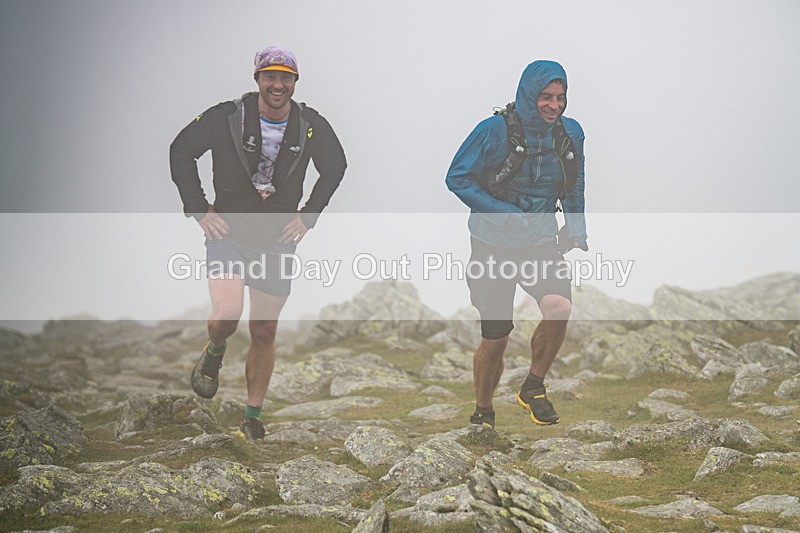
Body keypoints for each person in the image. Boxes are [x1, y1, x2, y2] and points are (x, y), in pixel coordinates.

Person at [169, 45, 346, 439]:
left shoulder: (310, 124)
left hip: (278, 240)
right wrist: (198, 209)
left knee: (264, 329)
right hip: (228, 233)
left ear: (295, 82)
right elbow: (181, 150)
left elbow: (336, 166)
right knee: (228, 314)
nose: (278, 84)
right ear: (258, 80)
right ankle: (213, 352)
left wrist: (309, 214)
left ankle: (252, 416)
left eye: (286, 77)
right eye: (270, 76)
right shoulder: (226, 116)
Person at [445, 60, 586, 429]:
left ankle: (533, 386)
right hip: (492, 244)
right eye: (545, 97)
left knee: (559, 307)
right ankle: (483, 410)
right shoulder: (493, 130)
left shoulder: (570, 135)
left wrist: (575, 226)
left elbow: (574, 183)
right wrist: (501, 211)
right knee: (496, 337)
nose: (554, 105)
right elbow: (456, 177)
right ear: (528, 94)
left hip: (540, 241)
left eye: (560, 97)